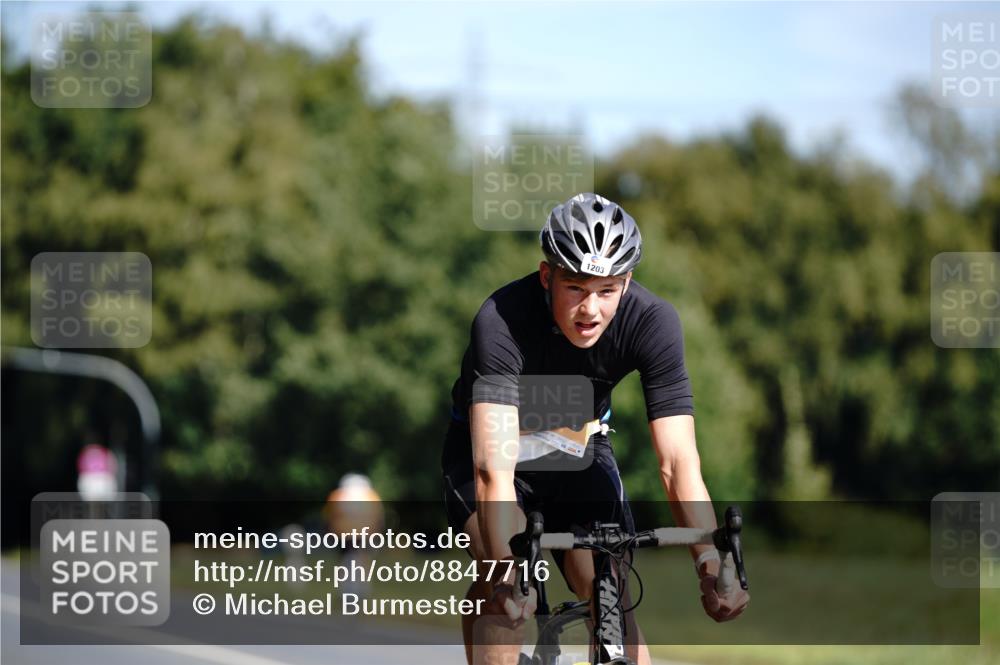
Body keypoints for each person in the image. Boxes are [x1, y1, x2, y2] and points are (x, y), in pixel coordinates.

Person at [441, 193, 750, 665]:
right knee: (506, 587)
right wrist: (507, 569)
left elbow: (678, 464)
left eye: (607, 290)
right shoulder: (502, 319)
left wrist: (709, 562)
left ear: (627, 283)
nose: (591, 310)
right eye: (576, 288)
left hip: (575, 447)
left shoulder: (653, 322)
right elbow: (492, 472)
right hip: (493, 454)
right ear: (547, 276)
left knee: (610, 586)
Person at [326, 473, 384, 596]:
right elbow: (378, 518)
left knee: (344, 560)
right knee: (363, 558)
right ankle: (363, 589)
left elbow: (330, 517)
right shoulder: (371, 495)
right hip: (365, 534)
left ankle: (344, 589)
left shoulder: (338, 495)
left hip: (343, 534)